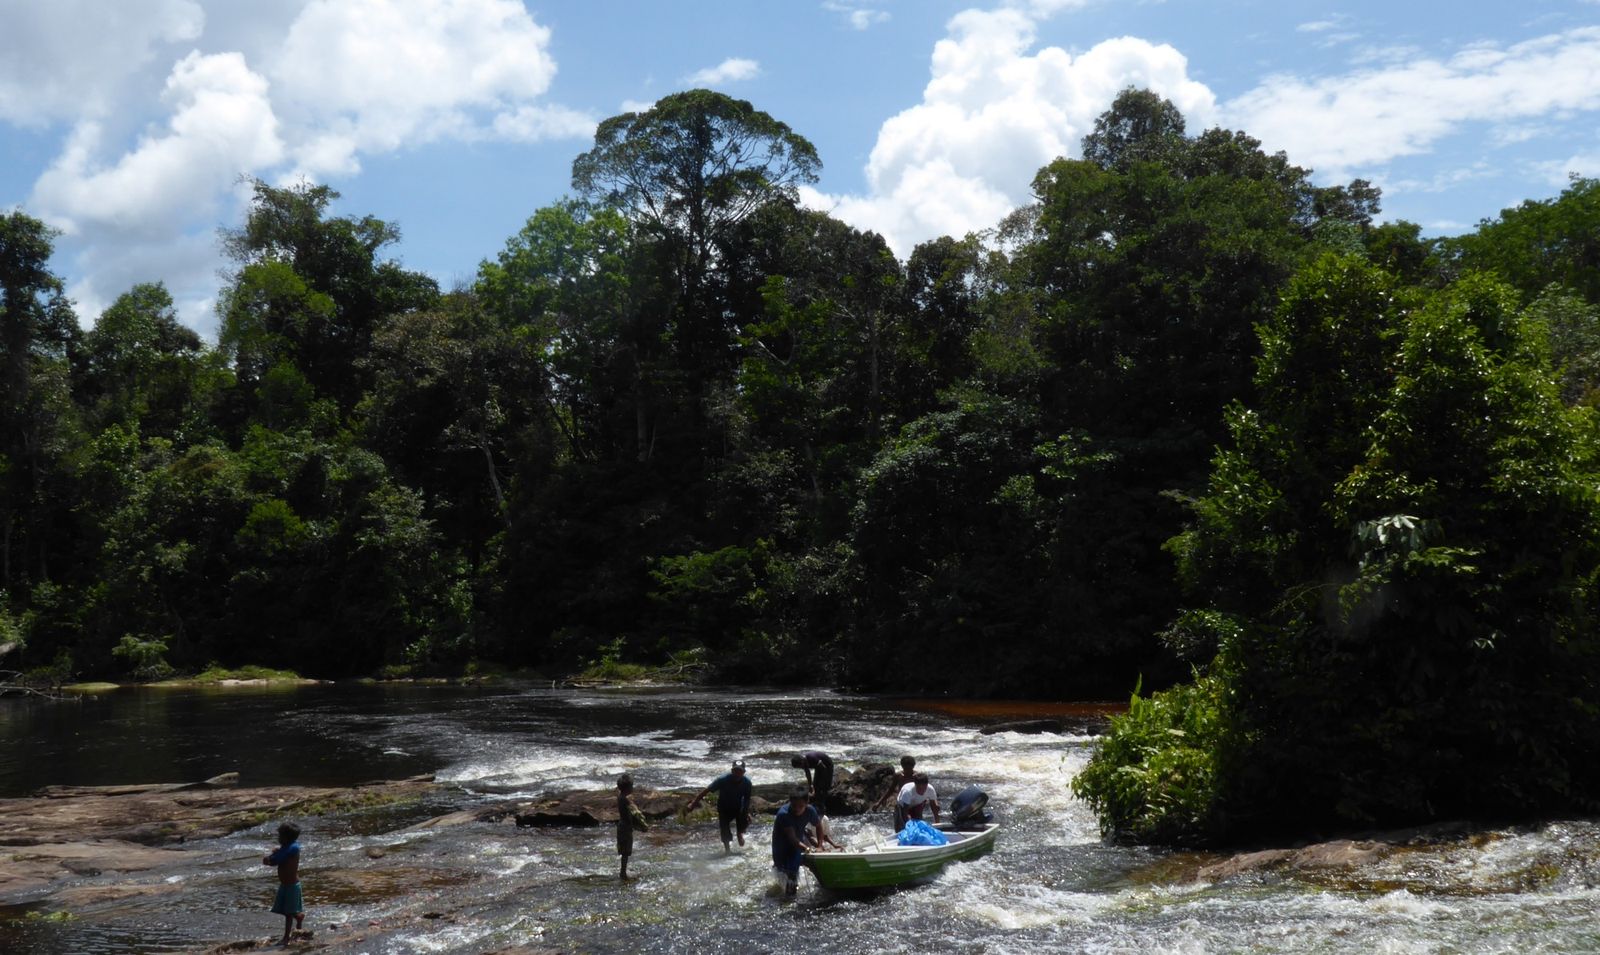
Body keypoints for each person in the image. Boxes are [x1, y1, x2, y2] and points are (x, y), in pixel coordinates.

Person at [686, 759, 753, 853]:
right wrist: (693, 803)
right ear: (732, 771)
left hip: (738, 807)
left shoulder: (747, 783)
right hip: (724, 808)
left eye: (740, 771)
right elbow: (706, 791)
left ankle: (739, 833)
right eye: (735, 771)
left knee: (746, 820)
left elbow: (747, 799)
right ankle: (727, 851)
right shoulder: (723, 780)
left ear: (744, 772)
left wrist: (746, 813)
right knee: (724, 829)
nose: (737, 773)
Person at [771, 787, 822, 897]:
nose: (797, 809)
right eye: (794, 806)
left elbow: (818, 826)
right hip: (781, 845)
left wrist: (820, 846)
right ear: (790, 802)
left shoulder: (810, 810)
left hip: (797, 845)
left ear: (807, 802)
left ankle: (791, 898)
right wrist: (808, 849)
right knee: (784, 871)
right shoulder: (783, 814)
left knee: (793, 872)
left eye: (800, 806)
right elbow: (793, 839)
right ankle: (788, 899)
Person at [262, 821, 304, 946]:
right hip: (285, 885)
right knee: (284, 909)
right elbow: (280, 854)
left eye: (280, 836)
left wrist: (269, 860)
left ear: (287, 838)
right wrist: (274, 854)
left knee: (288, 913)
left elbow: (278, 859)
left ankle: (286, 937)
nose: (279, 838)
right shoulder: (286, 847)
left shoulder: (293, 848)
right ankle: (299, 916)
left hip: (292, 886)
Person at [616, 773, 648, 879]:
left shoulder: (620, 797)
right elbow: (635, 813)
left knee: (624, 851)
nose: (633, 788)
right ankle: (623, 873)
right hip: (625, 828)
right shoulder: (625, 799)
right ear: (628, 788)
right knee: (626, 852)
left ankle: (623, 870)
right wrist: (643, 825)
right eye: (631, 786)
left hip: (621, 826)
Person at [874, 755, 918, 829]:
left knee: (916, 821)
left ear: (913, 766)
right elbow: (891, 790)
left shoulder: (917, 776)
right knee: (899, 824)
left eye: (909, 769)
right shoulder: (898, 776)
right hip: (902, 802)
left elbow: (923, 789)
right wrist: (879, 803)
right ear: (902, 766)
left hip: (915, 803)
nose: (907, 771)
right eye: (905, 768)